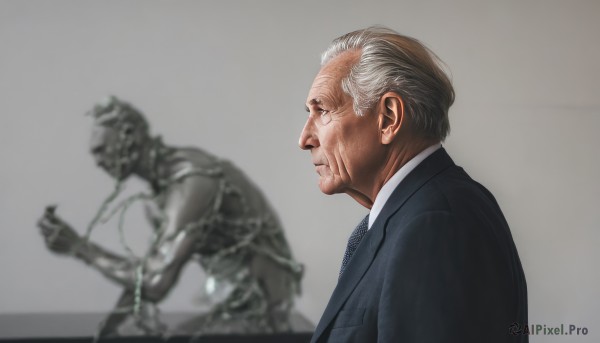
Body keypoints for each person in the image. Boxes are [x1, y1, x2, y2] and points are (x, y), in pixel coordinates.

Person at [299, 27, 527, 343]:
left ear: (389, 118)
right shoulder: (420, 213)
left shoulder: (436, 223)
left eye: (321, 110)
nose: (304, 139)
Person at [37, 96, 303, 336]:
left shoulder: (191, 181)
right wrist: (109, 329)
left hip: (261, 308)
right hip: (231, 299)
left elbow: (155, 283)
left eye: (100, 149)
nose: (97, 160)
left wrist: (79, 247)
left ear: (129, 135)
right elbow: (150, 270)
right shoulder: (159, 195)